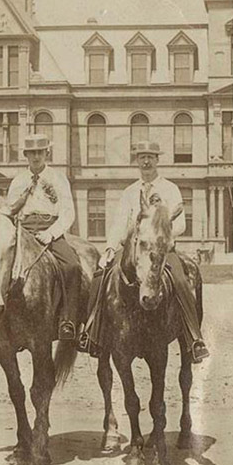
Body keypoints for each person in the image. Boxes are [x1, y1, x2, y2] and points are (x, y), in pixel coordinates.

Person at [84, 140, 208, 363]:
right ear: (137, 161)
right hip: (134, 249)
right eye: (142, 157)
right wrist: (111, 247)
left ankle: (193, 337)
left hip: (162, 249)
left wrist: (163, 235)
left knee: (180, 279)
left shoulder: (170, 189)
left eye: (150, 156)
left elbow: (181, 224)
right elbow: (120, 223)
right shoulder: (130, 192)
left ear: (157, 160)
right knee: (102, 275)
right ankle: (94, 333)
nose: (146, 161)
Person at [0, 133, 82, 342]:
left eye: (40, 152)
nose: (36, 157)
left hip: (50, 228)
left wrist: (51, 233)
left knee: (72, 266)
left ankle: (68, 321)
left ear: (47, 153)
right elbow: (10, 211)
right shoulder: (19, 180)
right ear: (26, 155)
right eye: (32, 153)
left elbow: (68, 212)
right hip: (23, 229)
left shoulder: (58, 178)